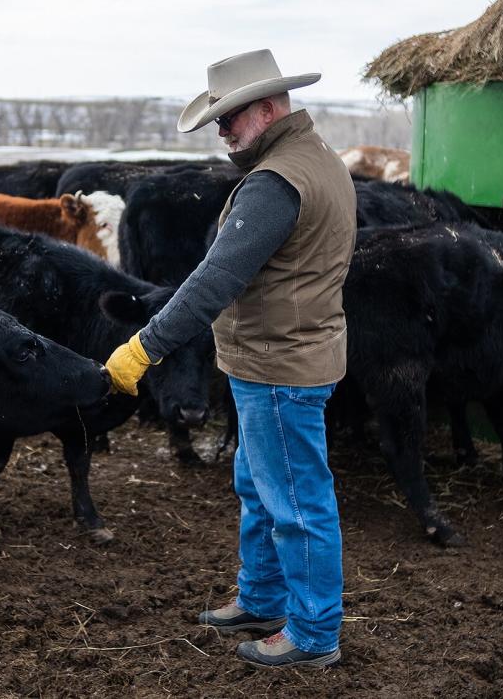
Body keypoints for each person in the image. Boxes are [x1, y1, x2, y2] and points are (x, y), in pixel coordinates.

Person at [105, 49, 356, 668]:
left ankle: (314, 633)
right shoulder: (316, 159)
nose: (221, 132)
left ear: (267, 110)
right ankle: (263, 597)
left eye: (228, 119)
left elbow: (215, 279)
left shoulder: (277, 183)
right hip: (280, 357)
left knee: (295, 501)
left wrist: (146, 346)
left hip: (278, 367)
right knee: (260, 485)